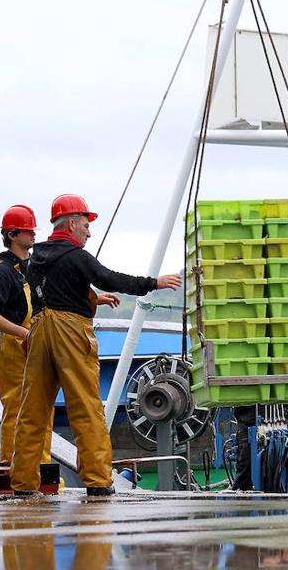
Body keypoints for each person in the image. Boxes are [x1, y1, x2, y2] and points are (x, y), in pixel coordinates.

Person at [10, 194, 181, 496]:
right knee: (86, 408)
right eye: (86, 226)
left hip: (38, 331)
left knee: (32, 412)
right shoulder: (77, 256)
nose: (89, 233)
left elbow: (54, 291)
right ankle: (98, 481)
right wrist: (153, 282)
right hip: (71, 333)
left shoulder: (35, 258)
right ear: (73, 223)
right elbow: (107, 277)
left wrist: (90, 298)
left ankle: (23, 483)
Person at [0, 205, 119, 463]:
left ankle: (41, 468)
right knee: (19, 410)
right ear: (12, 235)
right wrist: (25, 333)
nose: (33, 235)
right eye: (27, 231)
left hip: (38, 343)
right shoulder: (1, 271)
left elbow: (50, 295)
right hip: (16, 348)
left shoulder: (32, 265)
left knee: (41, 411)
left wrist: (94, 299)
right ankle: (14, 466)